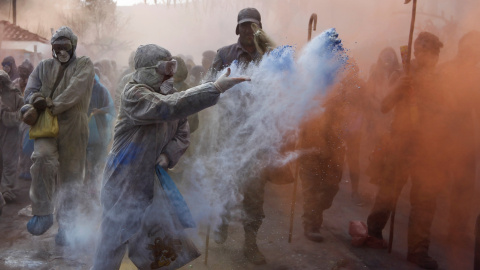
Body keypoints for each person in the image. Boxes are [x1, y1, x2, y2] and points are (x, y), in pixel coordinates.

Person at [91, 44, 249, 270]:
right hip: (123, 183)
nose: (170, 73)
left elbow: (182, 133)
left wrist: (167, 155)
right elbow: (167, 107)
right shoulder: (134, 92)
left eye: (172, 66)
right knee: (112, 244)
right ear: (146, 70)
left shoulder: (171, 95)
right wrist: (213, 88)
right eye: (165, 67)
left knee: (158, 250)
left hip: (151, 186)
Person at [365, 32, 446, 270]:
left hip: (428, 149)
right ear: (416, 53)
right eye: (422, 51)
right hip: (401, 145)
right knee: (389, 192)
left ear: (437, 55)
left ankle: (418, 251)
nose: (427, 56)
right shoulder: (403, 75)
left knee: (425, 201)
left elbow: (446, 113)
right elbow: (384, 106)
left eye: (432, 52)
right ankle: (374, 231)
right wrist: (399, 88)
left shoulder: (441, 81)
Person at [22, 26, 95, 245]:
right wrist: (34, 100)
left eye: (65, 47)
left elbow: (75, 90)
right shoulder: (43, 66)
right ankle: (43, 212)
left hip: (74, 123)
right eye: (57, 47)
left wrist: (51, 104)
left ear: (73, 46)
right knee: (42, 158)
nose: (61, 51)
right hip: (46, 123)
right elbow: (29, 91)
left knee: (71, 176)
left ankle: (67, 225)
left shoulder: (84, 64)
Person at [209, 7, 268, 265]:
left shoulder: (270, 56)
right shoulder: (224, 55)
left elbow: (286, 88)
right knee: (224, 185)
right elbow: (210, 88)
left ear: (259, 28)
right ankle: (220, 222)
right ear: (237, 28)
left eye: (252, 26)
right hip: (228, 135)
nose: (248, 30)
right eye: (244, 26)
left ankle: (250, 243)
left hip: (257, 136)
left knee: (255, 193)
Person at [298, 62, 367, 242]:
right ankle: (311, 224)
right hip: (311, 145)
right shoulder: (310, 87)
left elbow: (349, 117)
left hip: (334, 148)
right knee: (311, 188)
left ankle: (315, 213)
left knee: (330, 188)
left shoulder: (344, 93)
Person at [438, 30, 480, 267]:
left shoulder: (475, 76)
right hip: (441, 134)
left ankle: (457, 229)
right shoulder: (446, 70)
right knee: (433, 185)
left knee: (464, 187)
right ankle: (421, 237)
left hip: (465, 137)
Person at [85, 74, 115, 199]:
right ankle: (89, 186)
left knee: (98, 159)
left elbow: (110, 108)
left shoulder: (102, 90)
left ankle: (97, 187)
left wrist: (99, 111)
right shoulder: (84, 90)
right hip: (87, 129)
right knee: (88, 159)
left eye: (92, 81)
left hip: (101, 128)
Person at [0, 70, 24, 202]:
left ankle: (7, 189)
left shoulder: (14, 95)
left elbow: (23, 112)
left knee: (9, 161)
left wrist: (8, 115)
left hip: (10, 133)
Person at [14, 59, 35, 180]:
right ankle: (22, 168)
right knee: (20, 147)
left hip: (28, 119)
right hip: (17, 119)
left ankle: (28, 169)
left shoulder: (34, 84)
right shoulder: (16, 83)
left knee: (26, 145)